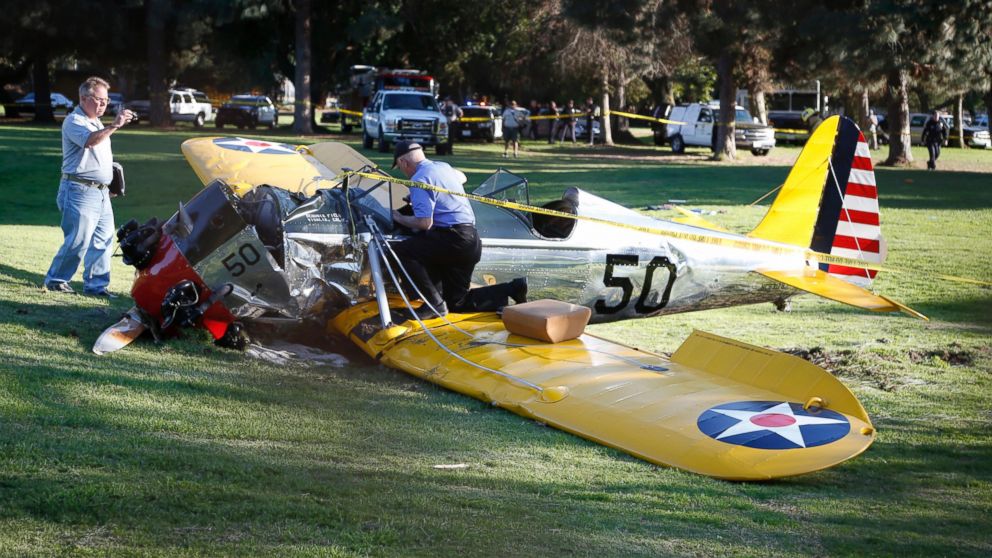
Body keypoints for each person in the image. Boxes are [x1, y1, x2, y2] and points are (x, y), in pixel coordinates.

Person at [389, 141, 527, 318]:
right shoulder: (443, 167)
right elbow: (457, 181)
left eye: (400, 168)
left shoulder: (418, 180)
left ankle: (433, 304)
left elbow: (424, 223)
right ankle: (512, 288)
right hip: (471, 241)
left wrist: (398, 217)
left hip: (453, 240)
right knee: (457, 302)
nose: (403, 172)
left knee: (401, 251)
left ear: (403, 163)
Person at [44, 76, 136, 296]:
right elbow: (89, 141)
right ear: (84, 98)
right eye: (99, 100)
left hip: (101, 193)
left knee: (103, 240)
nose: (104, 104)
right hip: (79, 190)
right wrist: (114, 125)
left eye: (106, 101)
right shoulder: (74, 120)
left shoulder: (96, 122)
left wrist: (110, 182)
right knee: (78, 239)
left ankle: (96, 286)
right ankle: (56, 280)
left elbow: (99, 155)